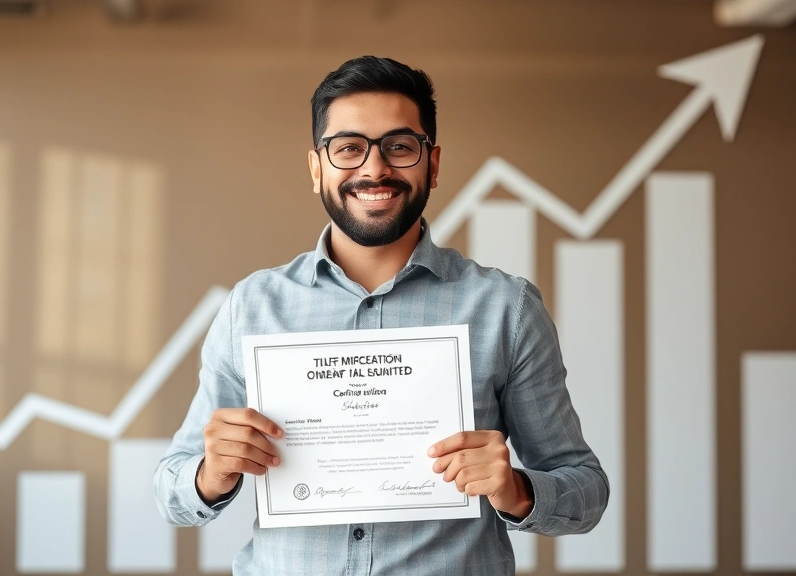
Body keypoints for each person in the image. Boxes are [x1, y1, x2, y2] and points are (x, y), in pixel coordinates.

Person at [154, 55, 608, 576]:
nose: (374, 168)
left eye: (399, 146)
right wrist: (211, 473)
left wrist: (518, 490)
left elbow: (586, 490)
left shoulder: (506, 309)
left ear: (432, 164)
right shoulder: (252, 308)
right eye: (348, 148)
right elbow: (171, 492)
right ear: (317, 167)